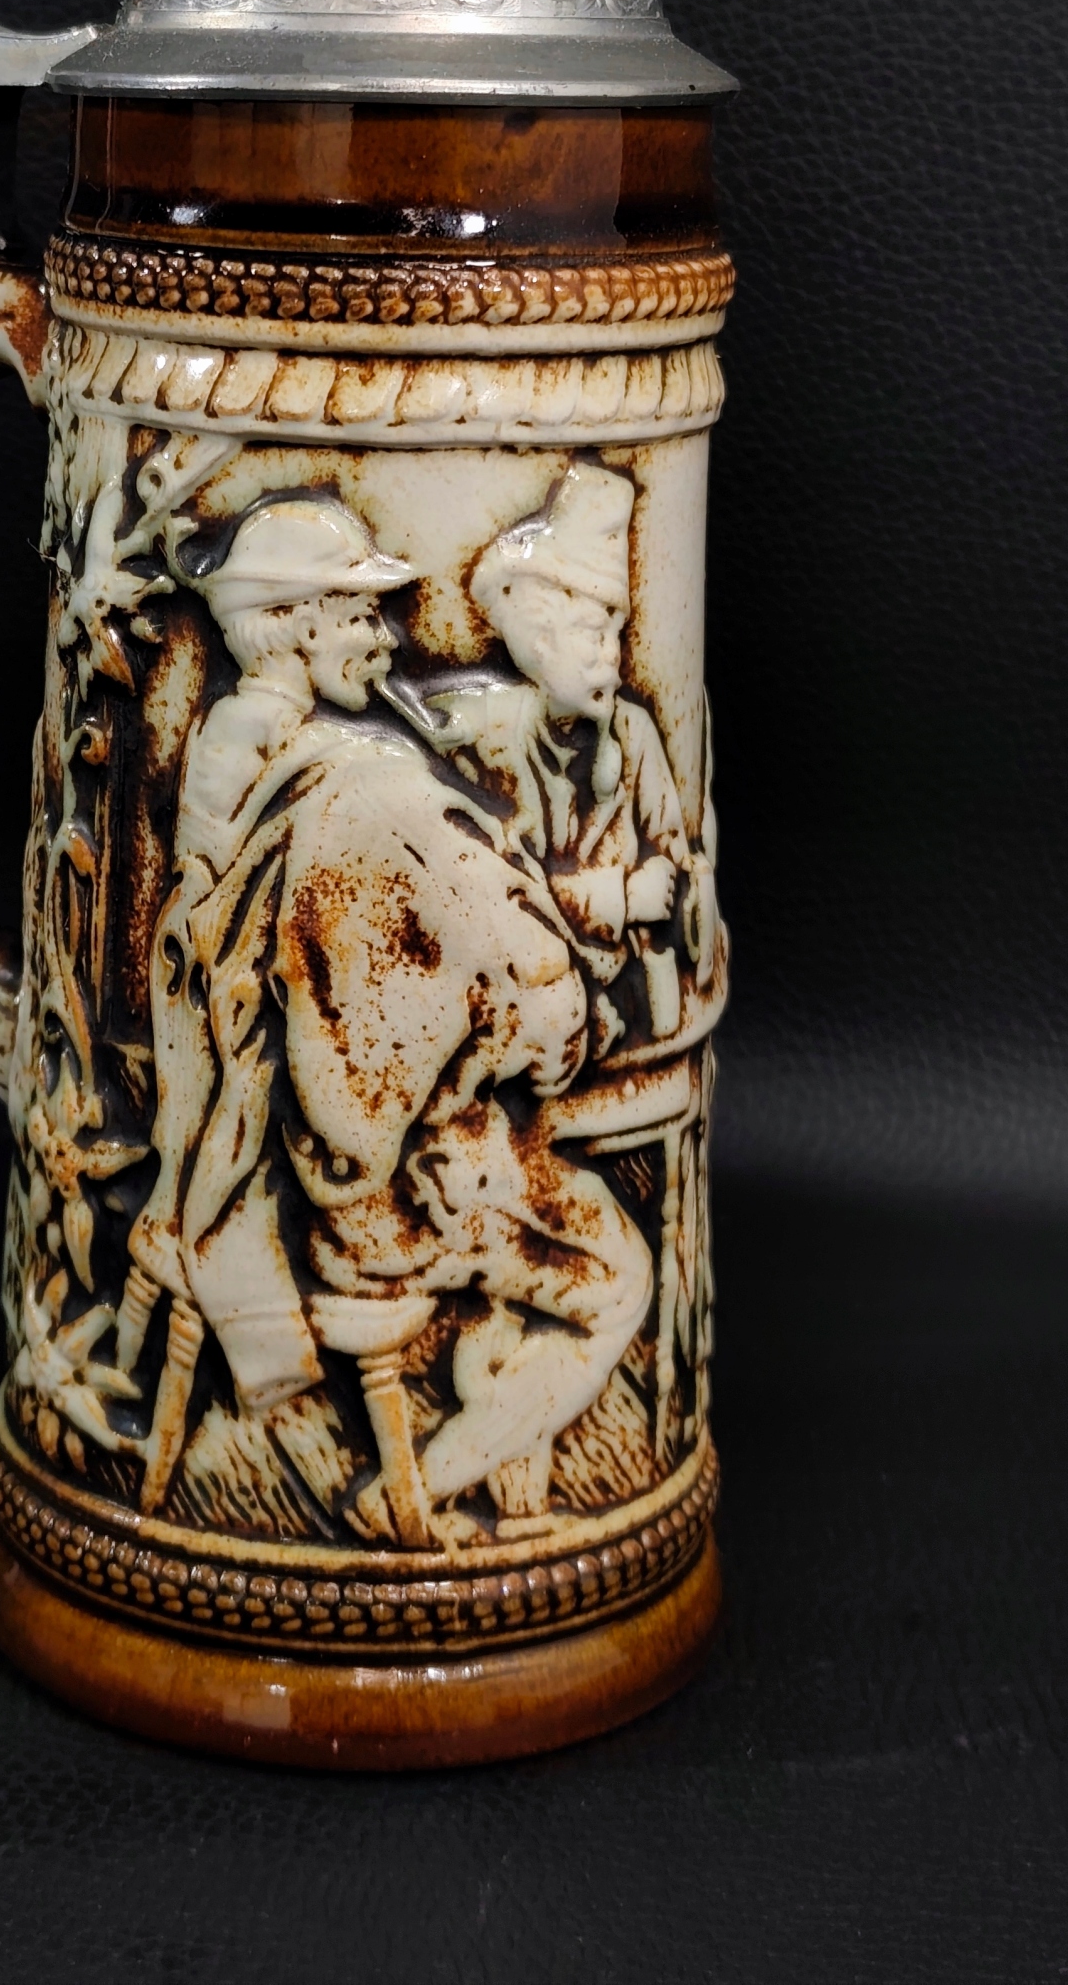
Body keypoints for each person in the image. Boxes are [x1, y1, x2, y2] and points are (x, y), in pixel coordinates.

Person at [114, 490, 653, 1542]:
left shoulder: (234, 755)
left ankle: (447, 1437)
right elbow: (535, 990)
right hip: (379, 1191)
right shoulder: (369, 796)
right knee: (618, 1280)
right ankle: (422, 1489)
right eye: (360, 615)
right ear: (292, 625)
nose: (386, 636)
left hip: (232, 1147)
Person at [427, 462, 718, 1054]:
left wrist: (679, 888)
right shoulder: (483, 740)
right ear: (539, 640)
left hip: (626, 1014)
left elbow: (674, 853)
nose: (613, 657)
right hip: (515, 1021)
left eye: (618, 636)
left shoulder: (632, 735)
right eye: (592, 635)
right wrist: (620, 898)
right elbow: (498, 899)